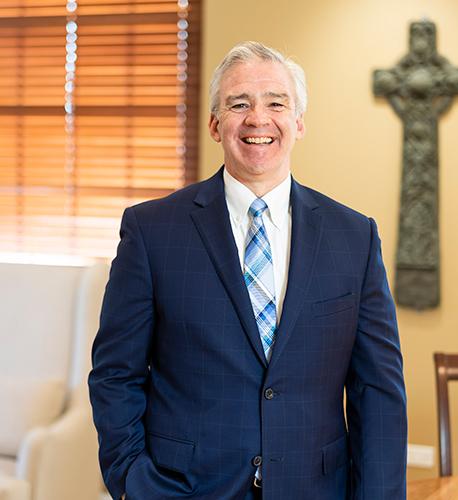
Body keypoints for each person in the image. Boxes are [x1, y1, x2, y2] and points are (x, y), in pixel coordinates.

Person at [89, 41, 407, 500]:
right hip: (184, 490)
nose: (258, 119)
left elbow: (378, 391)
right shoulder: (151, 231)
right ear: (216, 124)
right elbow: (115, 374)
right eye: (240, 104)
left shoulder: (354, 238)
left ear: (298, 122)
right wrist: (133, 481)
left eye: (276, 103)